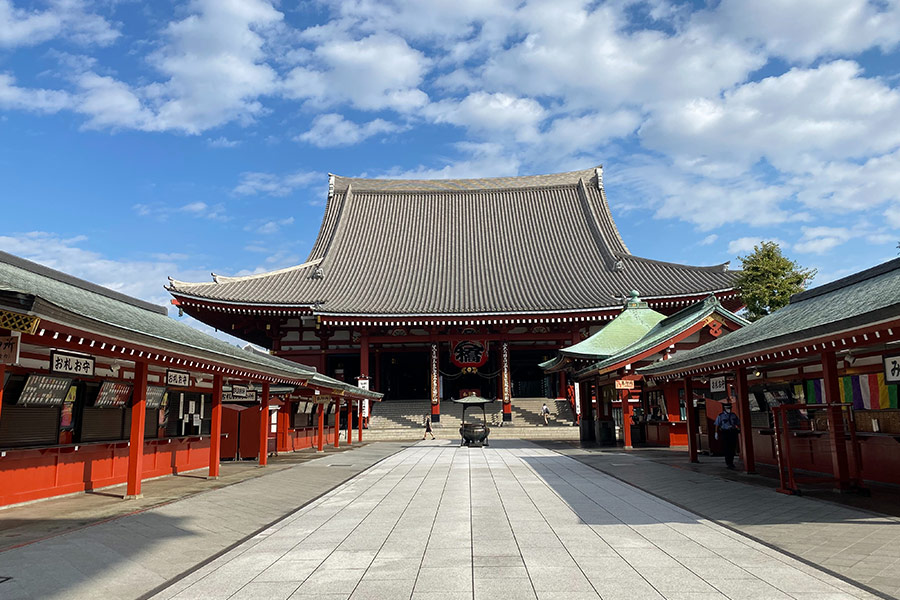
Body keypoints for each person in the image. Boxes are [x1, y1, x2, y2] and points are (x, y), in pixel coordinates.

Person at [714, 403, 741, 469]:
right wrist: (716, 433)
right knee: (727, 448)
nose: (729, 409)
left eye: (730, 408)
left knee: (733, 447)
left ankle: (731, 462)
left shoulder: (733, 415)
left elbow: (738, 423)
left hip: (733, 432)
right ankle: (728, 462)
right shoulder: (721, 416)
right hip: (725, 432)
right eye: (727, 408)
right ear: (725, 408)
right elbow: (717, 425)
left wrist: (739, 429)